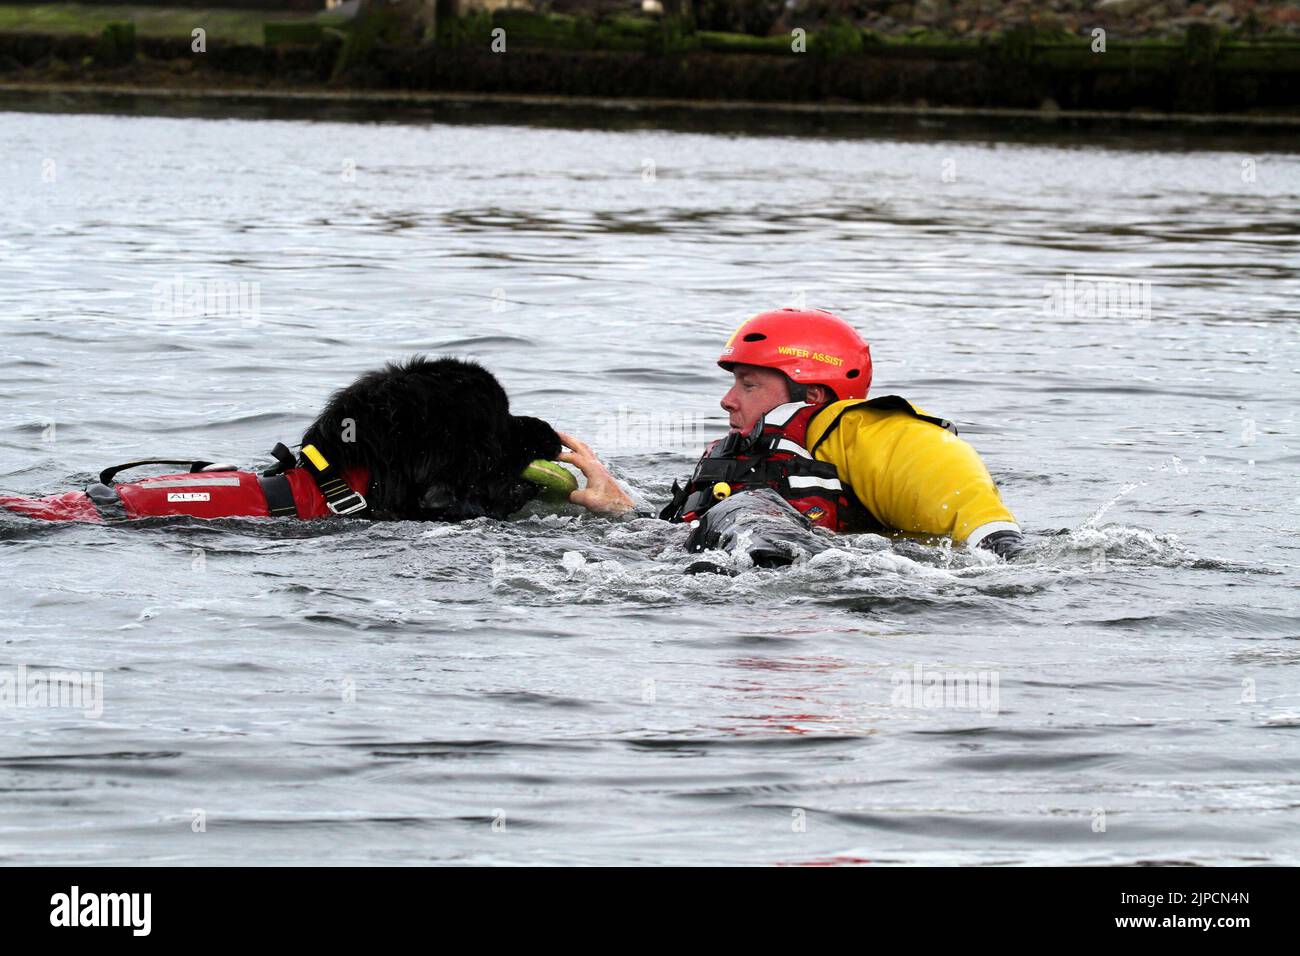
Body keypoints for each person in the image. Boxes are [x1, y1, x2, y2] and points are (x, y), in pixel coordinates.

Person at [557, 307, 1025, 559]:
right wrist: (623, 511)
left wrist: (1000, 544)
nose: (727, 400)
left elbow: (967, 504)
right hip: (733, 577)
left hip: (811, 583)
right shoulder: (735, 451)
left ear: (813, 397)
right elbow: (678, 537)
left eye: (749, 384)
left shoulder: (866, 431)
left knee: (744, 507)